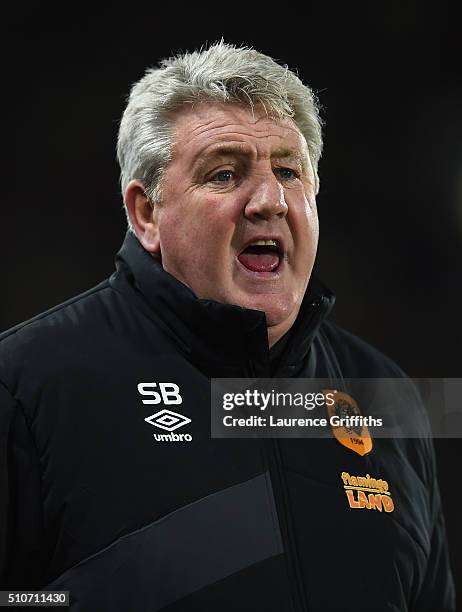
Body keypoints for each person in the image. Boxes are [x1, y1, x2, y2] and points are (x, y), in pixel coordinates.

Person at [0, 42, 455, 611]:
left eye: (289, 171)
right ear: (146, 213)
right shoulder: (27, 384)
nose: (269, 201)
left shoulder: (387, 399)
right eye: (224, 173)